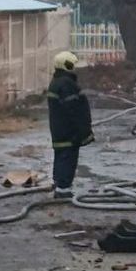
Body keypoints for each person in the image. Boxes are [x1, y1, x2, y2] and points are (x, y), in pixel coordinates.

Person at [47, 51, 93, 199]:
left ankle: (58, 183)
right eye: (72, 64)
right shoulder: (67, 84)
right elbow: (74, 108)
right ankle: (63, 189)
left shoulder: (56, 82)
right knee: (68, 158)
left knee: (60, 156)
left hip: (59, 128)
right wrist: (82, 129)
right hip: (69, 130)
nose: (74, 67)